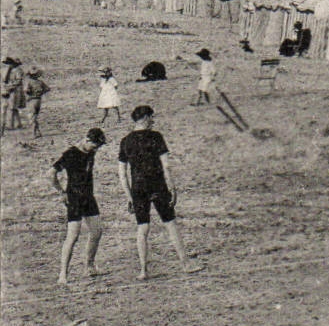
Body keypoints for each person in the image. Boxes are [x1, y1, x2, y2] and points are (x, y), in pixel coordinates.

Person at [118, 105, 198, 280]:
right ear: (145, 118)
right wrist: (173, 187)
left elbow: (122, 174)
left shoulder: (125, 141)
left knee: (142, 228)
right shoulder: (156, 137)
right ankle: (185, 264)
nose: (153, 121)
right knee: (170, 224)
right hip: (158, 185)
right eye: (152, 117)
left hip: (137, 188)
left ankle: (143, 270)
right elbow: (166, 166)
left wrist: (128, 196)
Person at [53, 127, 108, 285]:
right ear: (87, 140)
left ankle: (89, 266)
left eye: (98, 147)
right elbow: (51, 173)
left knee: (97, 231)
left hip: (88, 197)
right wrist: (61, 192)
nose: (96, 150)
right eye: (95, 146)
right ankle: (63, 274)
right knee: (73, 236)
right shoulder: (70, 154)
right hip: (74, 198)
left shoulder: (91, 152)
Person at [23, 68, 49, 137]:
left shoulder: (29, 82)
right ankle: (38, 132)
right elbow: (47, 89)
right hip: (38, 100)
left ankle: (33, 133)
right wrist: (40, 93)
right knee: (34, 117)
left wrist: (29, 92)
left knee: (31, 117)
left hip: (31, 100)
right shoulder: (40, 82)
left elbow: (26, 90)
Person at [3, 55, 24, 130]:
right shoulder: (13, 70)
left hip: (16, 91)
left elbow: (18, 81)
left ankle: (11, 125)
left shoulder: (18, 70)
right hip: (13, 90)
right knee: (14, 108)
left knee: (12, 108)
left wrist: (9, 86)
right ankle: (19, 124)